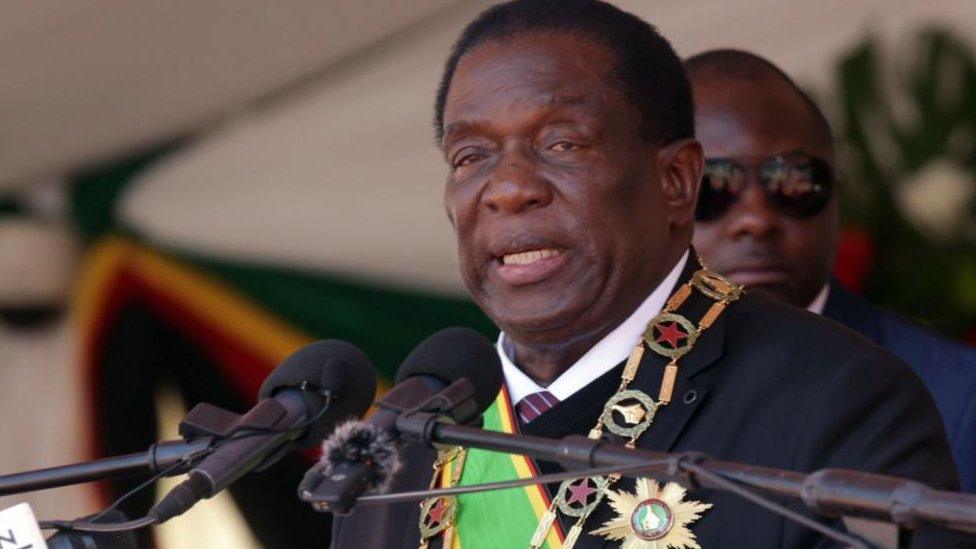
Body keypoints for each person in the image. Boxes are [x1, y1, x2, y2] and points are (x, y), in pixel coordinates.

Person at [332, 1, 963, 547]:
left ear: (675, 181)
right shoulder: (400, 441)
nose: (509, 188)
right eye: (471, 155)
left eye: (561, 144)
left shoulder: (836, 400)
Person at [686, 48, 976, 493]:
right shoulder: (592, 382)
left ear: (836, 197)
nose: (756, 219)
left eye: (794, 182)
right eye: (712, 187)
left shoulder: (957, 399)